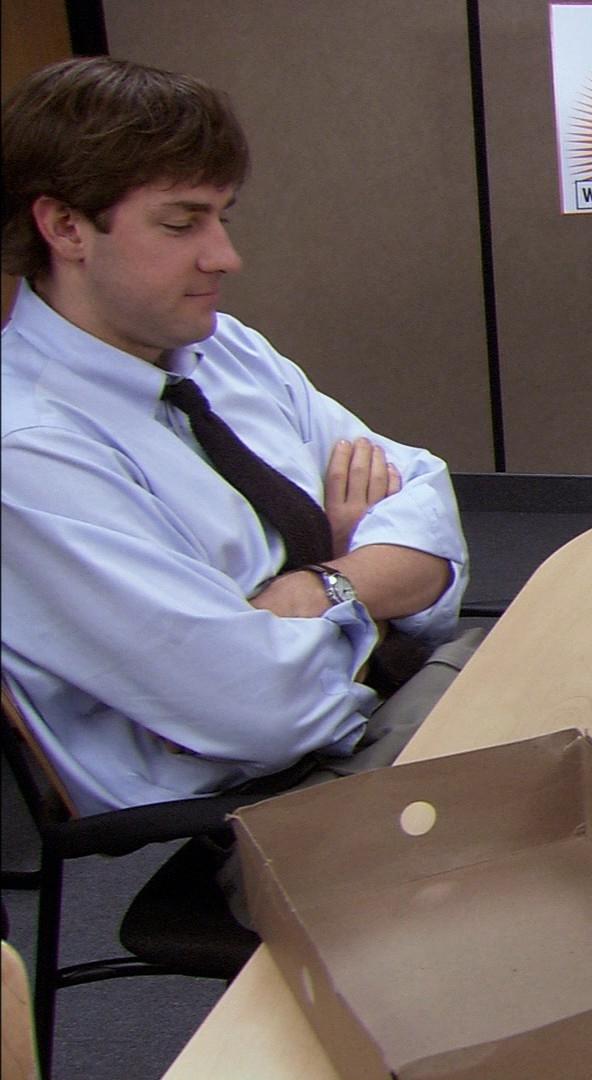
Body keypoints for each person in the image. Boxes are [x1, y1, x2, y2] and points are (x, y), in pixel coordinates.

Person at [1, 57, 474, 816]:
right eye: (181, 223)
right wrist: (369, 577)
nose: (224, 256)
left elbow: (432, 523)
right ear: (64, 227)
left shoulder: (223, 347)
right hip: (277, 802)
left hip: (392, 707)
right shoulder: (28, 448)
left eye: (224, 218)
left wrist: (320, 586)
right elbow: (267, 711)